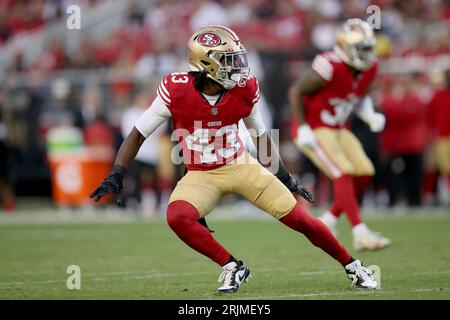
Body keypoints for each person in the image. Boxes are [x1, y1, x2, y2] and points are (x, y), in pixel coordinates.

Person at [90, 25, 377, 293]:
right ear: (206, 65)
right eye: (229, 61)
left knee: (299, 219)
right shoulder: (175, 89)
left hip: (240, 166)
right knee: (177, 216)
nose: (238, 67)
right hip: (201, 174)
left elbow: (261, 137)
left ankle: (353, 265)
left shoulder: (245, 89)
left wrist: (285, 177)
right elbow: (138, 134)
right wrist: (117, 173)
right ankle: (232, 266)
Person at [289, 19, 390, 251]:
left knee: (365, 171)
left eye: (368, 48)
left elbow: (356, 96)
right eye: (361, 49)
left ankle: (330, 220)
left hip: (337, 127)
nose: (367, 54)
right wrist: (303, 127)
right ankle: (360, 232)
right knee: (342, 171)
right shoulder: (329, 65)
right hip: (314, 128)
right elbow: (296, 91)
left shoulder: (370, 67)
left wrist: (369, 115)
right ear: (346, 47)